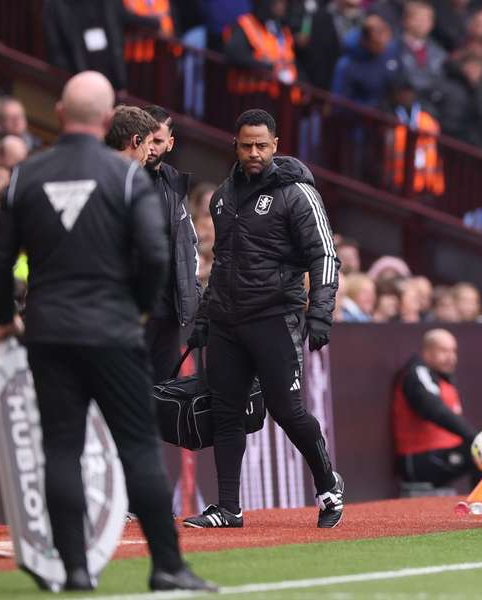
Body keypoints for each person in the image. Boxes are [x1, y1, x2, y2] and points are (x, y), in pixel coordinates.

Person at [0, 71, 213, 592]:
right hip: (113, 332)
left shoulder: (27, 176)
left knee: (61, 449)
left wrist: (7, 318)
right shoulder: (125, 178)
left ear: (62, 114)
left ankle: (73, 569)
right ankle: (166, 566)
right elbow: (156, 255)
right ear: (106, 117)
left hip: (48, 333)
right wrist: (134, 311)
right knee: (138, 446)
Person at [183, 109, 343, 529]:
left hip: (275, 317)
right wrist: (203, 318)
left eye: (261, 145)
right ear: (234, 146)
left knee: (287, 410)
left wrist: (321, 312)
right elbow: (221, 263)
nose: (253, 153)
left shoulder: (298, 193)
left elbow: (324, 254)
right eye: (246, 145)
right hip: (226, 322)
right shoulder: (221, 197)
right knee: (225, 411)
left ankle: (328, 486)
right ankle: (228, 507)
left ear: (275, 145)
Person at [142, 105, 201, 382]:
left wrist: (194, 294)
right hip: (131, 312)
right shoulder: (122, 179)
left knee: (164, 394)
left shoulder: (174, 183)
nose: (151, 147)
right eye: (145, 139)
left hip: (167, 312)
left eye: (158, 141)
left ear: (170, 143)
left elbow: (188, 243)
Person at [392, 329, 477, 487]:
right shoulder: (417, 372)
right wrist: (474, 436)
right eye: (443, 351)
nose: (450, 357)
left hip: (442, 452)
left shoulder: (443, 378)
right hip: (420, 458)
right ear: (427, 352)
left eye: (453, 351)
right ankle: (481, 506)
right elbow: (433, 409)